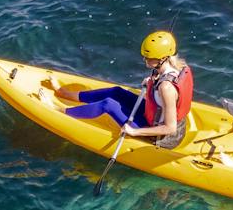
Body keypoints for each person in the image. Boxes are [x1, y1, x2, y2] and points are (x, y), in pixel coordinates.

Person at [57, 30, 195, 149]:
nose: (144, 59)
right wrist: (152, 82)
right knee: (116, 92)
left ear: (163, 58)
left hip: (160, 135)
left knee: (108, 104)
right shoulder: (178, 67)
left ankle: (62, 112)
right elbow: (165, 88)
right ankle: (68, 94)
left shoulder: (166, 88)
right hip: (152, 115)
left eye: (148, 57)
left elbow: (170, 128)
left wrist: (134, 132)